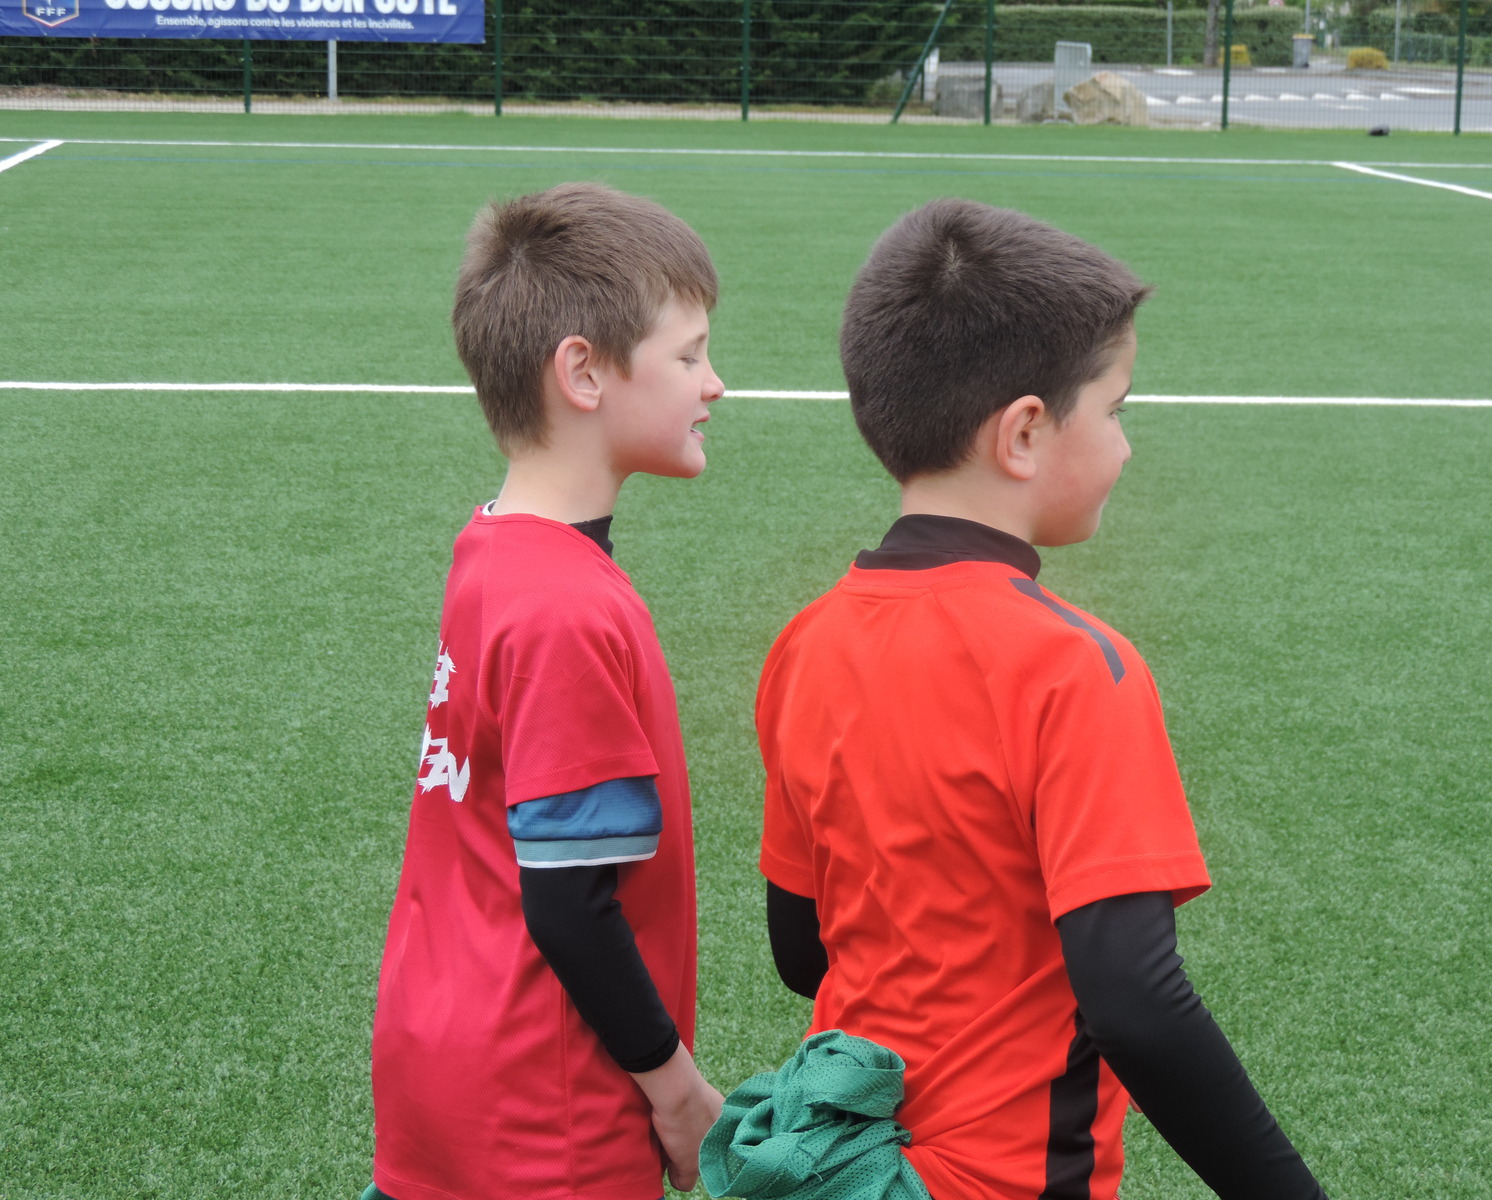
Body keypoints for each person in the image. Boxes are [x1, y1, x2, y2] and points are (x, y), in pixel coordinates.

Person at [754, 199, 1329, 1200]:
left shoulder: (805, 643)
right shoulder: (1074, 667)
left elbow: (804, 951)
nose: (1125, 447)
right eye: (1115, 410)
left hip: (842, 1163)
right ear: (1024, 433)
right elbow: (1135, 1004)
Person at [367, 183, 725, 1200]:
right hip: (546, 1108)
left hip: (444, 1054)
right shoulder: (568, 607)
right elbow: (570, 902)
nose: (714, 384)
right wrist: (678, 1091)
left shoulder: (491, 547)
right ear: (582, 372)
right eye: (689, 356)